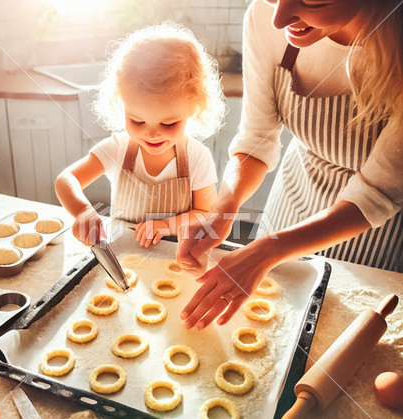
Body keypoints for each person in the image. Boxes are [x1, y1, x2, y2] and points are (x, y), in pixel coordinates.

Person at [177, 0, 403, 330]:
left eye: (310, 1)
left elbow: (376, 193)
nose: (279, 16)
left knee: (338, 331)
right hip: (295, 192)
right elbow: (256, 139)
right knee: (272, 322)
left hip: (372, 226)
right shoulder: (264, 17)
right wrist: (223, 208)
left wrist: (265, 251)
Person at [55, 22, 226, 247]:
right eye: (137, 121)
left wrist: (166, 226)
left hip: (175, 258)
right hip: (122, 254)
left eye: (168, 124)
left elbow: (205, 213)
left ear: (192, 109)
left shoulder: (197, 157)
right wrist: (83, 211)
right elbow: (66, 180)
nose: (152, 134)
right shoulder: (118, 149)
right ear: (121, 104)